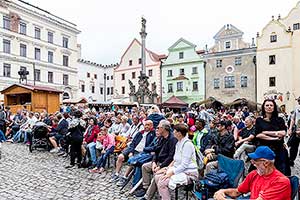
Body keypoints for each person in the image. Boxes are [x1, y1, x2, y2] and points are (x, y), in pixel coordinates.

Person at [213, 146, 291, 200]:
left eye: (255, 161)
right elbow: (237, 192)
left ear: (266, 163)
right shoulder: (254, 174)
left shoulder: (281, 182)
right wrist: (222, 191)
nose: (252, 163)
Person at [153, 123, 198, 200]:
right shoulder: (178, 143)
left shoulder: (187, 145)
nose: (173, 132)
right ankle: (164, 197)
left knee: (162, 182)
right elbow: (175, 159)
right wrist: (167, 168)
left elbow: (184, 165)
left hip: (189, 172)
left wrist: (171, 173)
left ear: (179, 133)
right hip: (178, 168)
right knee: (157, 176)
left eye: (175, 131)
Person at [135, 120, 177, 198]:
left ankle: (147, 196)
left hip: (166, 164)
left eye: (158, 127)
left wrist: (160, 167)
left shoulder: (172, 139)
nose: (156, 129)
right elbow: (156, 151)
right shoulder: (162, 137)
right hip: (158, 162)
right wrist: (154, 162)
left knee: (156, 176)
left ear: (163, 129)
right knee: (145, 167)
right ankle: (145, 187)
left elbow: (171, 157)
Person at [255, 99, 291, 175]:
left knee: (281, 172)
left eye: (271, 105)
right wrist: (274, 137)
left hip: (279, 149)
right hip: (265, 150)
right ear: (263, 107)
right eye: (267, 105)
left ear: (274, 107)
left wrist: (266, 132)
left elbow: (283, 132)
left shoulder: (279, 120)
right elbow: (258, 135)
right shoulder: (259, 120)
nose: (269, 107)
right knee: (265, 172)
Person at [288, 96, 300, 167]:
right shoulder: (297, 108)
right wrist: (290, 129)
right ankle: (291, 160)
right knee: (293, 147)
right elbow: (293, 118)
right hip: (296, 130)